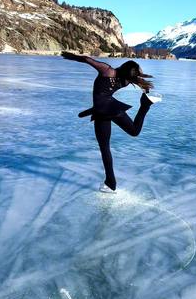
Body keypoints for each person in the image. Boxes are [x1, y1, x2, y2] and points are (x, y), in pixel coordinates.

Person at [61, 51, 159, 194]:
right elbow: (137, 80)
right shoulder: (126, 80)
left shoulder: (108, 71)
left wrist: (70, 56)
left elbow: (88, 60)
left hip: (103, 110)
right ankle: (145, 105)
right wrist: (146, 92)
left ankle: (111, 183)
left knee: (104, 148)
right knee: (134, 131)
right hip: (110, 108)